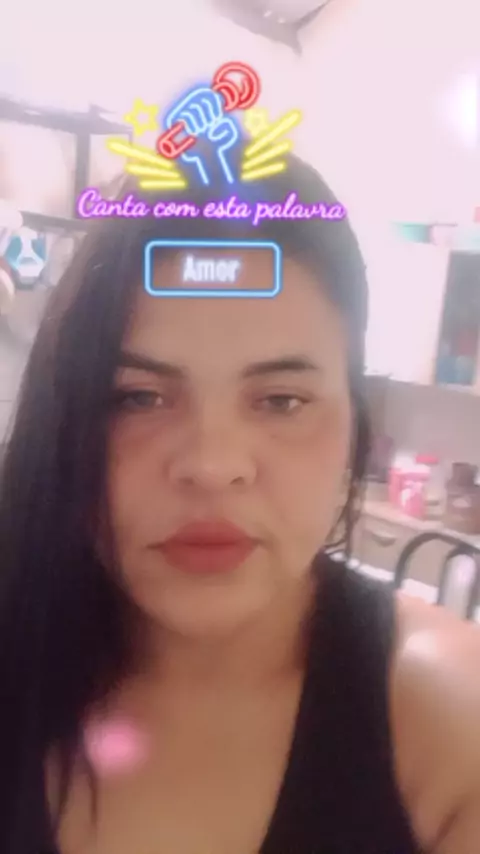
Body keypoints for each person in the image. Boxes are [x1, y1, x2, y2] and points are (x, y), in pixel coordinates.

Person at [0, 150, 479, 854]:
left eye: (281, 400)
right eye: (139, 397)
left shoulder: (450, 720)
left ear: (355, 422)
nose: (212, 466)